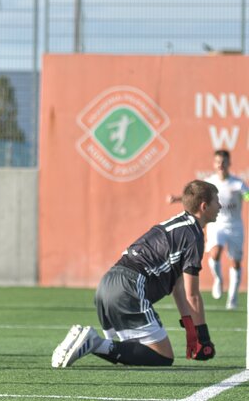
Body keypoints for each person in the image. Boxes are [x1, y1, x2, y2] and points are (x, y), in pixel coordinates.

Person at [52, 179, 220, 368]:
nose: (220, 206)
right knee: (163, 357)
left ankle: (85, 341)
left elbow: (177, 286)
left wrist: (191, 330)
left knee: (130, 351)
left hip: (108, 283)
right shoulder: (193, 235)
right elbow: (193, 295)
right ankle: (94, 342)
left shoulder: (178, 224)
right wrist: (203, 337)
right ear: (204, 206)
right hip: (130, 286)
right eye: (217, 201)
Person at [169, 150, 249, 309]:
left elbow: (247, 196)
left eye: (224, 162)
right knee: (215, 252)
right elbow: (195, 197)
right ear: (214, 164)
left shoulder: (237, 183)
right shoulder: (210, 183)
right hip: (216, 224)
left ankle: (232, 298)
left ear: (229, 163)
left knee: (236, 263)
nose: (221, 165)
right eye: (218, 162)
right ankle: (218, 279)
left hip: (235, 227)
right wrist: (177, 198)